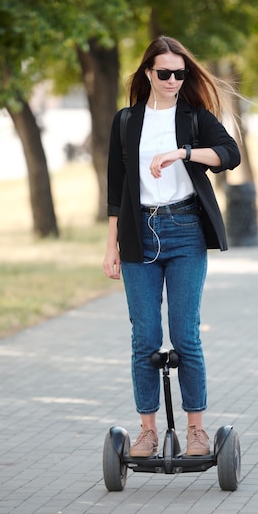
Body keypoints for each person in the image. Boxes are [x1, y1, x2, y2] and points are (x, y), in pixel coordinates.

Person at [103, 36, 241, 457]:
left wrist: (182, 152)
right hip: (137, 235)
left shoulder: (195, 117)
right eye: (164, 73)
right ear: (148, 73)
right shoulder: (126, 121)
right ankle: (146, 430)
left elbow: (230, 154)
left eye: (179, 73)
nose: (172, 80)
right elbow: (114, 191)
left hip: (185, 231)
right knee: (144, 337)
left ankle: (196, 429)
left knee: (186, 336)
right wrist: (111, 247)